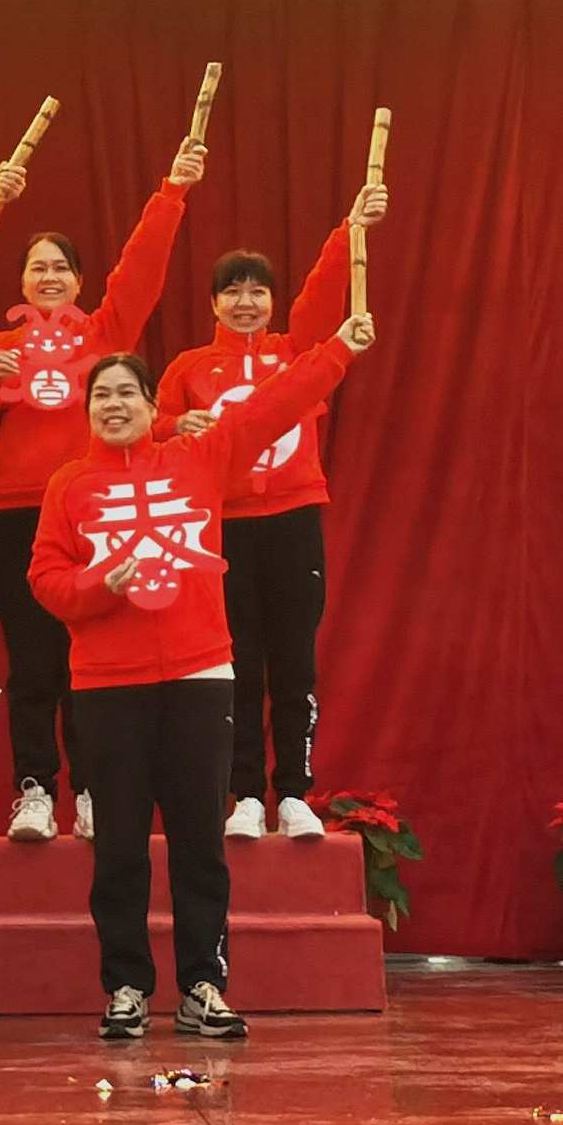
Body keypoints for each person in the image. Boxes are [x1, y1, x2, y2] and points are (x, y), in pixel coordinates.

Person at [36, 326, 369, 1044]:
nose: (113, 405)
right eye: (101, 396)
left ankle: (203, 986)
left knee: (199, 844)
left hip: (199, 676)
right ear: (86, 411)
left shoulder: (197, 457)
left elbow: (274, 406)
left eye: (126, 393)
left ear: (152, 406)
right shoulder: (69, 485)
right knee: (119, 846)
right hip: (106, 686)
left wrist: (336, 349)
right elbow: (47, 580)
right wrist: (100, 586)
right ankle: (126, 987)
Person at [0, 125, 205, 842]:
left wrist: (173, 192)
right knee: (33, 663)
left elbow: (141, 271)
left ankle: (91, 789)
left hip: (96, 511)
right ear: (21, 282)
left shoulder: (104, 334)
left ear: (80, 281)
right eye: (37, 267)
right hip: (16, 518)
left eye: (61, 266)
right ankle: (34, 790)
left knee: (90, 659)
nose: (49, 276)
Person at [152, 169, 391, 841]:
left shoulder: (295, 352)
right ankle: (246, 796)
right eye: (233, 291)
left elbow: (324, 292)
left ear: (273, 301)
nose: (246, 302)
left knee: (294, 662)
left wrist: (351, 229)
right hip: (223, 526)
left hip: (292, 520)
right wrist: (175, 426)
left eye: (258, 290)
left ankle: (294, 793)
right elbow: (151, 426)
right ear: (213, 303)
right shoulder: (190, 368)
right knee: (237, 662)